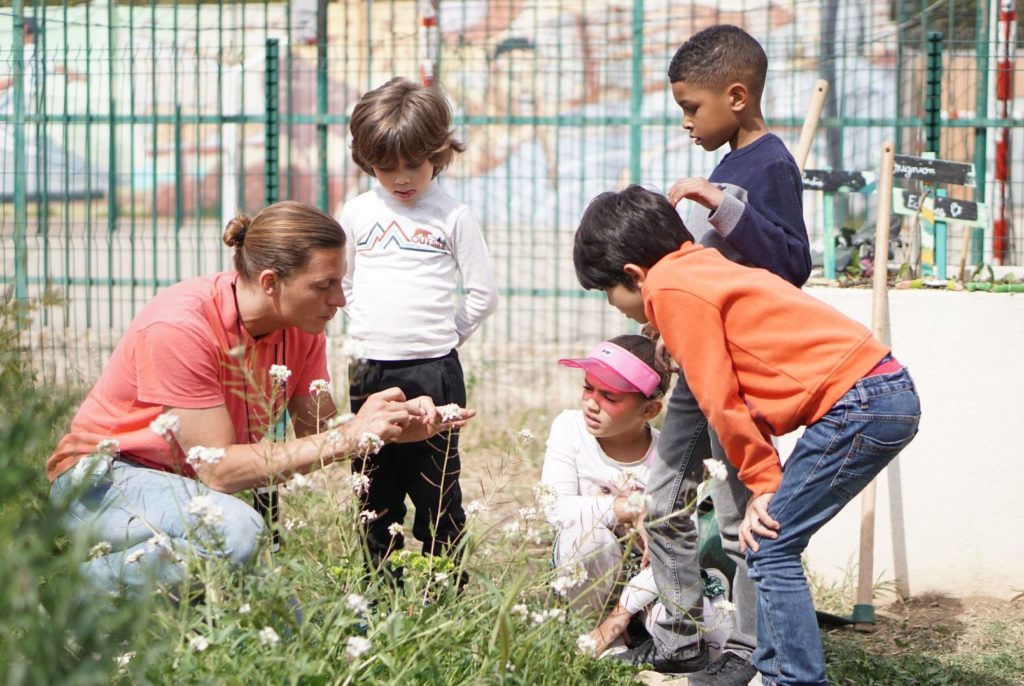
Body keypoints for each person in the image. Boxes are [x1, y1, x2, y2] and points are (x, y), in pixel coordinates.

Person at [572, 185, 920, 686]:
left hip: (861, 402)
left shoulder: (668, 287)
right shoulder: (698, 267)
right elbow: (740, 390)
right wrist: (766, 481)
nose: (617, 306)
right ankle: (776, 669)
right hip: (877, 394)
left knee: (770, 544)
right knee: (768, 543)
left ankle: (796, 678)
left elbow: (719, 399)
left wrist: (763, 483)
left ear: (633, 274)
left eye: (610, 292)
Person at [47, 201, 470, 597]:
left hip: (192, 493)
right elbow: (219, 471)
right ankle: (65, 595)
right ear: (271, 282)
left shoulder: (302, 327)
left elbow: (318, 435)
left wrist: (390, 428)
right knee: (236, 534)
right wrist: (350, 437)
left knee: (309, 635)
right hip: (105, 480)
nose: (340, 300)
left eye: (341, 282)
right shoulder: (179, 327)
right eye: (324, 285)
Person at [635, 24, 813, 684]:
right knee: (663, 495)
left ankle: (746, 653)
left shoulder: (769, 165)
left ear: (736, 96)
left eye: (692, 108)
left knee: (743, 517)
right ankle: (680, 634)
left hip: (737, 370)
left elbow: (791, 263)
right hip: (695, 363)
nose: (685, 122)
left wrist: (720, 204)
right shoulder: (730, 162)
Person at [339, 77, 498, 570]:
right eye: (386, 167)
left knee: (436, 490)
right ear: (368, 162)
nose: (401, 178)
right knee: (373, 487)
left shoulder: (452, 216)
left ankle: (443, 591)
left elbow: (483, 295)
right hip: (369, 371)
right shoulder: (358, 213)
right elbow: (340, 282)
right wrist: (369, 325)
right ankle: (376, 590)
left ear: (438, 153)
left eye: (413, 164)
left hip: (435, 370)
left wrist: (441, 339)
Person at [539, 335, 668, 617]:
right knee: (586, 536)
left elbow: (677, 545)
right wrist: (633, 508)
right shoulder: (570, 428)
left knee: (710, 624)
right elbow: (555, 507)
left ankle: (623, 629)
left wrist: (619, 618)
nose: (591, 404)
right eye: (588, 388)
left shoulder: (666, 457)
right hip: (588, 577)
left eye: (609, 397)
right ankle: (585, 626)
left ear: (649, 410)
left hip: (646, 583)